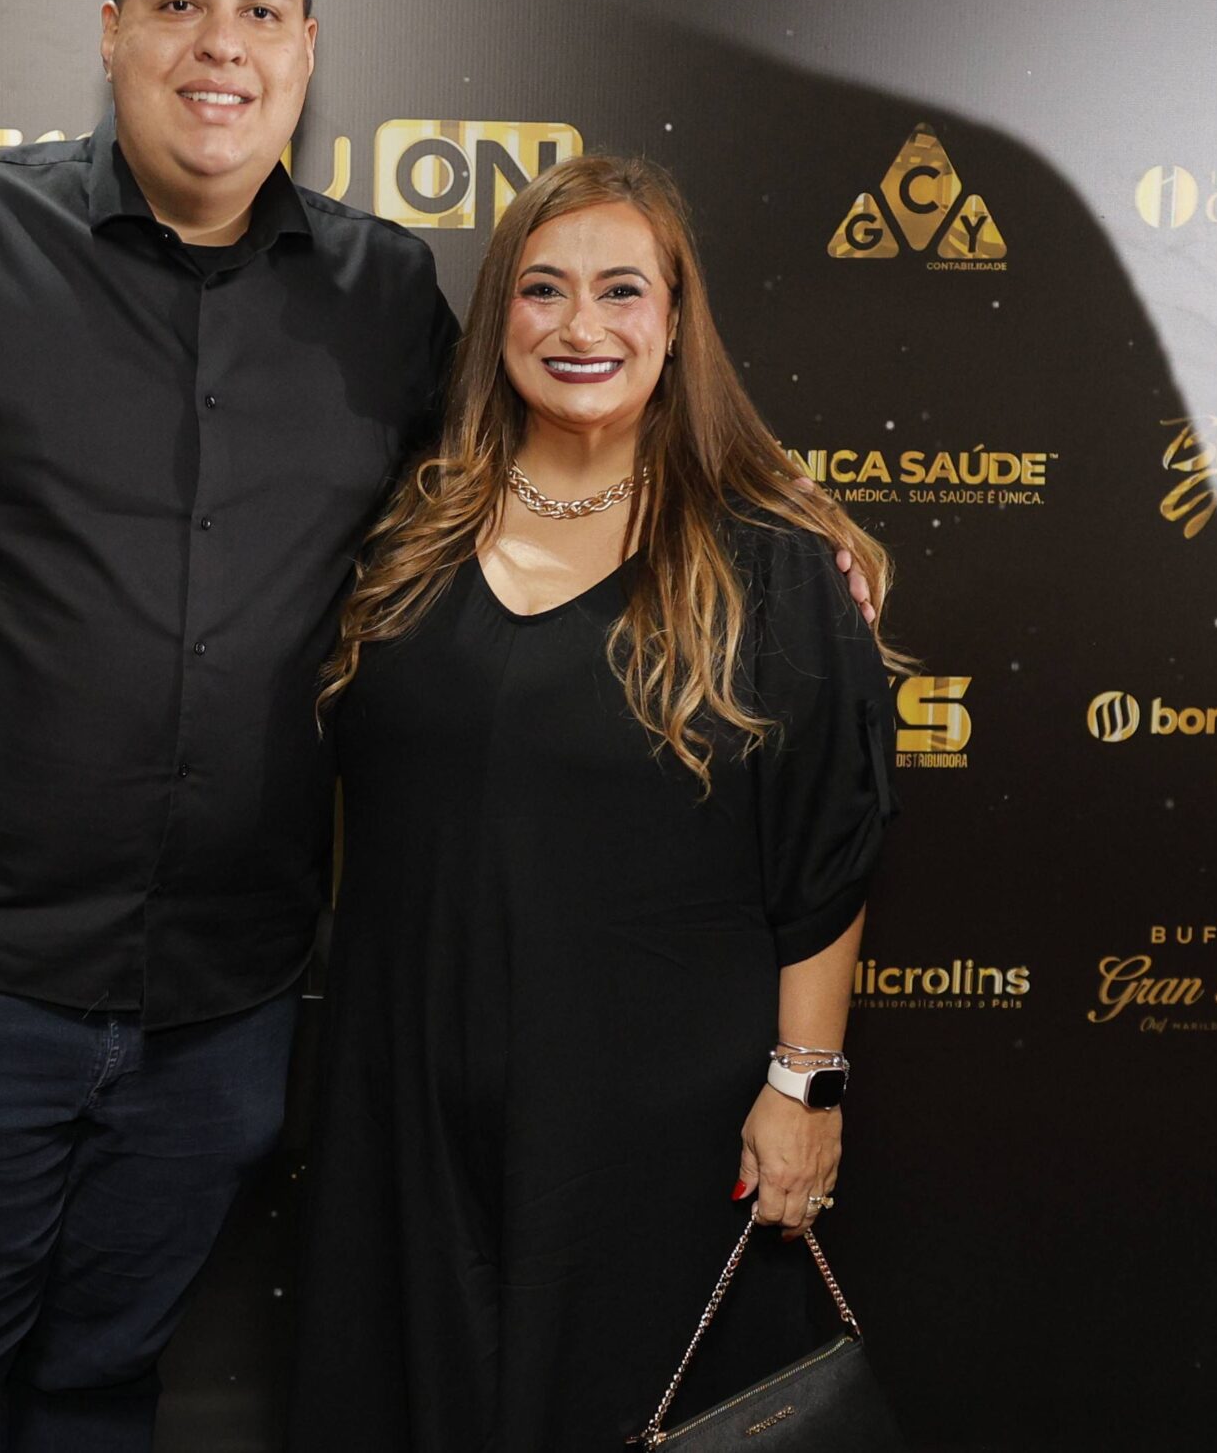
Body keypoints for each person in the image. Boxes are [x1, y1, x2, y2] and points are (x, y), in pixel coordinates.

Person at [0, 0, 870, 1449]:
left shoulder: (384, 294)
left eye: (259, 13)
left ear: (307, 51)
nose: (217, 46)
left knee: (101, 1389)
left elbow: (568, 427)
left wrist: (794, 523)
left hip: (221, 1008)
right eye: (178, 6)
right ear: (113, 32)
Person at [288, 154, 901, 1452]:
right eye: (543, 289)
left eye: (622, 290)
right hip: (402, 1107)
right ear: (497, 317)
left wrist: (804, 1087)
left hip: (653, 1130)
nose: (581, 325)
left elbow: (826, 856)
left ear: (675, 322)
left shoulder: (771, 565)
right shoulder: (402, 536)